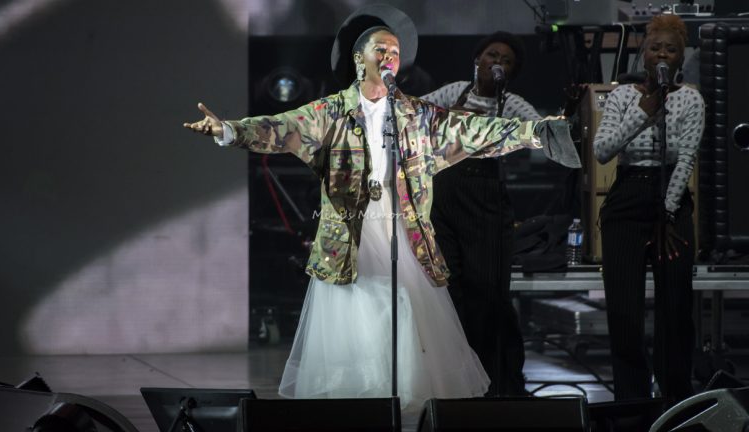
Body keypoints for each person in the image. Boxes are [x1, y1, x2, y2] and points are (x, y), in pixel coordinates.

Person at [184, 5, 575, 414]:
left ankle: (401, 407)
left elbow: (474, 130)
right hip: (350, 233)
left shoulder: (415, 114)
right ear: (359, 59)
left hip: (402, 230)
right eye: (381, 49)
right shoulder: (331, 112)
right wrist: (228, 130)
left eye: (395, 51)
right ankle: (362, 407)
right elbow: (282, 128)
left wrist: (535, 132)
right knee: (361, 316)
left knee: (402, 309)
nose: (389, 56)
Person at [420, 32, 541, 397]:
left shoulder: (512, 103)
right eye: (492, 55)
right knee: (451, 290)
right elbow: (414, 114)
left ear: (512, 71)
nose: (497, 63)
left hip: (486, 199)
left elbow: (539, 134)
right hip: (445, 195)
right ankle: (458, 383)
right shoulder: (454, 91)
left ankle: (499, 383)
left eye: (506, 60)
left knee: (488, 294)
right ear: (477, 60)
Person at [593, 15, 704, 406]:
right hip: (627, 198)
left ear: (680, 58)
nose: (662, 54)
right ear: (644, 55)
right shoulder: (624, 96)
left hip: (671, 200)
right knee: (625, 311)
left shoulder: (691, 99)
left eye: (670, 49)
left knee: (675, 309)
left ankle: (675, 399)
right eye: (655, 47)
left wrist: (668, 214)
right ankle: (632, 403)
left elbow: (686, 159)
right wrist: (643, 110)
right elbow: (603, 150)